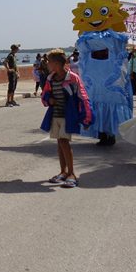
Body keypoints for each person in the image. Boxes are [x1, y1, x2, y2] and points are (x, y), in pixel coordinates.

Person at [41, 49, 92, 189]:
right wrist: (48, 99)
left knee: (64, 142)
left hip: (67, 116)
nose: (48, 64)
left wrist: (86, 117)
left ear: (57, 63)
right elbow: (45, 95)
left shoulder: (72, 78)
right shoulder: (51, 79)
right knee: (59, 142)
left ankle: (72, 174)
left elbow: (83, 97)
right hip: (56, 115)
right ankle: (63, 172)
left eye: (49, 62)